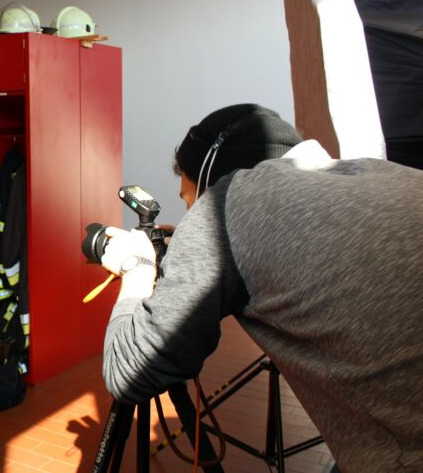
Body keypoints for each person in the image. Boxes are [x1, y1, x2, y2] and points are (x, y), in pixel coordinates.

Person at [100, 104, 423, 472]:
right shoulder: (378, 172)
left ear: (209, 177)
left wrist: (138, 266)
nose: (190, 215)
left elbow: (129, 372)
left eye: (189, 201)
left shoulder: (222, 206)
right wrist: (188, 249)